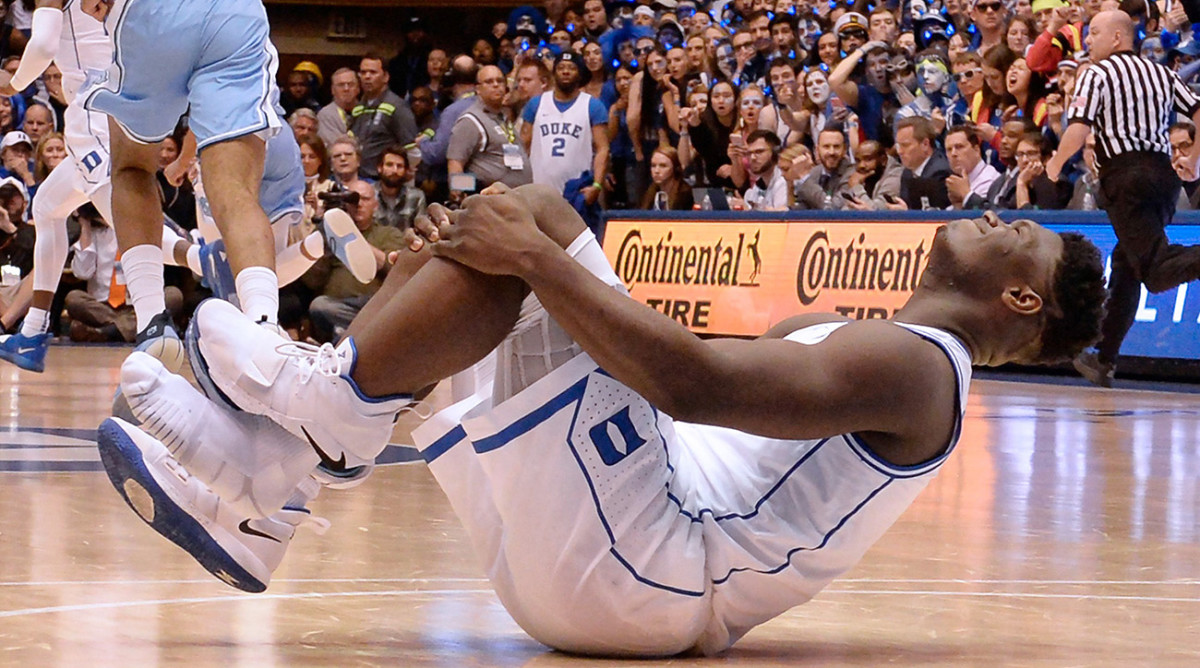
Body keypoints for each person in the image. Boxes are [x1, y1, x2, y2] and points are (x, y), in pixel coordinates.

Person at [100, 184, 1106, 654]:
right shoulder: (855, 335)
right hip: (618, 555)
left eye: (1021, 235)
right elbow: (662, 362)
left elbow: (697, 385)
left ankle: (319, 419)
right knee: (475, 256)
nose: (1000, 214)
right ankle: (279, 474)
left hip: (656, 563)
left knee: (531, 224)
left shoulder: (924, 369)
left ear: (1022, 300)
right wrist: (496, 267)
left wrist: (538, 259)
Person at [77, 0, 288, 374]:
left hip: (156, 14)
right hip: (233, 14)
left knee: (131, 168)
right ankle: (264, 326)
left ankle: (152, 323)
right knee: (234, 189)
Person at [1045, 10, 1200, 387]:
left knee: (1156, 271)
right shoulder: (1163, 73)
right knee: (1128, 263)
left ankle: (1104, 356)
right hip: (1163, 178)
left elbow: (1079, 127)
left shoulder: (1096, 74)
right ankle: (1104, 358)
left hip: (1125, 177)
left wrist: (1055, 163)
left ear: (1117, 37)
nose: (1088, 40)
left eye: (1094, 33)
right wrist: (1194, 158)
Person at [447, 65, 533, 194]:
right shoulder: (470, 120)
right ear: (478, 89)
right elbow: (455, 164)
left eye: (500, 81)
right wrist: (464, 193)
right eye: (489, 82)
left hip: (517, 199)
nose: (496, 85)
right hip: (490, 202)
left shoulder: (503, 117)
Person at [351, 54, 419, 180]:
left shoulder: (397, 107)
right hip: (359, 177)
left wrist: (403, 177)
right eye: (363, 72)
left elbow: (412, 150)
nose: (367, 77)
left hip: (384, 181)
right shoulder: (358, 107)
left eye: (373, 72)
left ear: (385, 77)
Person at [892, 116, 952, 210]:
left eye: (905, 145)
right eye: (898, 146)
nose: (899, 151)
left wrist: (907, 213)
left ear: (925, 144)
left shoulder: (940, 173)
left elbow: (936, 217)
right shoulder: (907, 173)